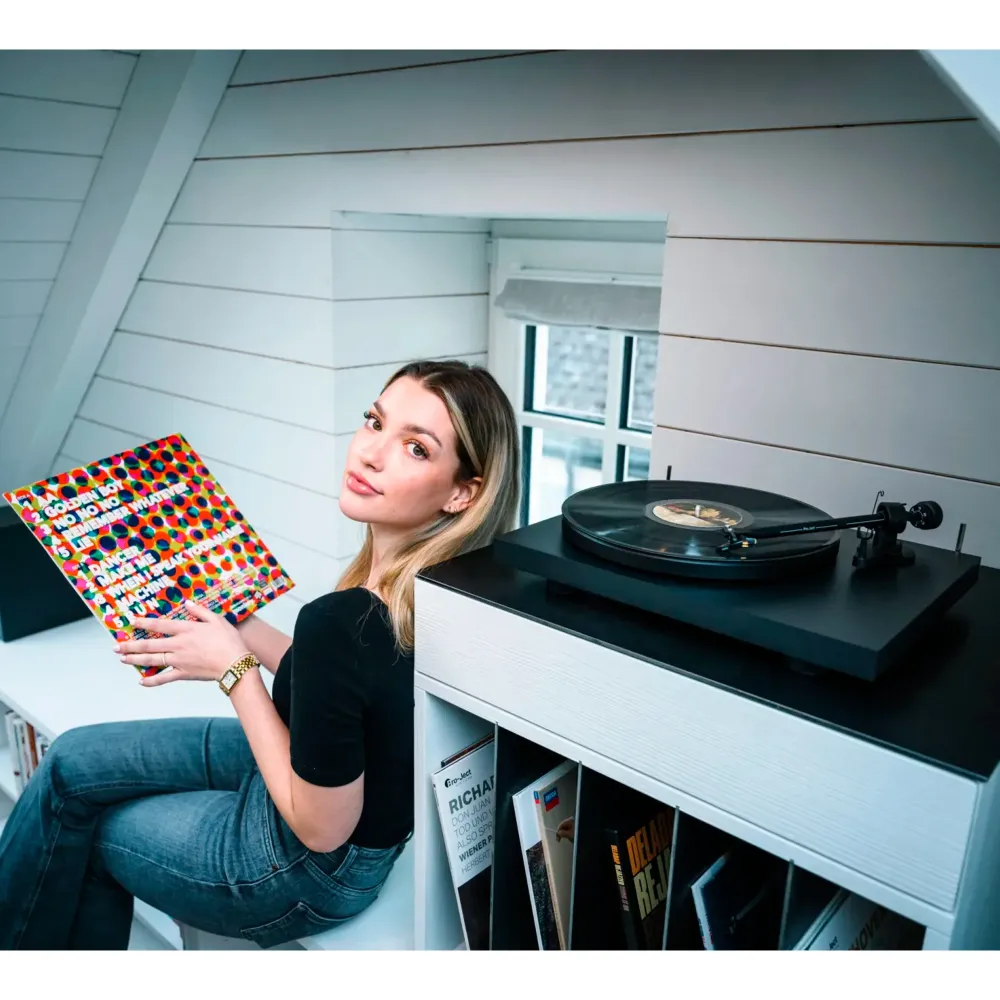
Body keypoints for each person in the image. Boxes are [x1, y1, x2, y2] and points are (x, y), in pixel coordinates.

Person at [0, 359, 520, 950]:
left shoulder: (343, 622)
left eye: (415, 448)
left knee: (93, 824)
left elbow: (322, 829)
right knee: (70, 760)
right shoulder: (434, 594)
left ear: (462, 493)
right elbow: (348, 691)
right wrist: (235, 621)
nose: (371, 453)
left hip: (304, 868)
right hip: (326, 787)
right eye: (375, 422)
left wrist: (233, 669)